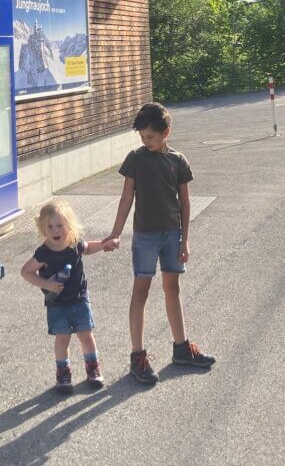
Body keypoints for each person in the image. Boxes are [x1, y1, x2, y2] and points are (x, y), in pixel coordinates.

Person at [106, 101, 215, 384]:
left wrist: (185, 240)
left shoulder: (178, 161)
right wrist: (116, 232)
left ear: (167, 131)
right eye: (142, 138)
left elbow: (185, 202)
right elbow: (126, 198)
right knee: (140, 290)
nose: (146, 142)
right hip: (145, 236)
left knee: (173, 287)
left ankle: (181, 348)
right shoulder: (135, 159)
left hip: (172, 235)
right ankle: (138, 357)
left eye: (150, 137)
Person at [20, 198, 119, 394]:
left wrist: (105, 244)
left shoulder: (74, 244)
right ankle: (63, 373)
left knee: (86, 335)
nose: (55, 230)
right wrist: (47, 284)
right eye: (50, 226)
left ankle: (93, 368)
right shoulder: (43, 253)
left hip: (80, 298)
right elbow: (26, 272)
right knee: (62, 339)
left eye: (60, 225)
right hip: (57, 304)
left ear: (69, 226)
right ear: (43, 228)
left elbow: (88, 248)